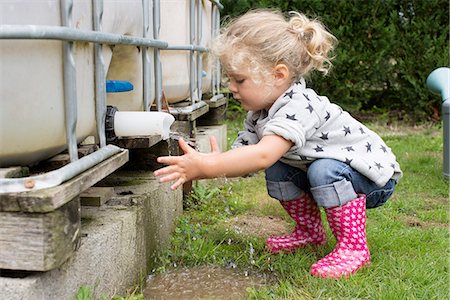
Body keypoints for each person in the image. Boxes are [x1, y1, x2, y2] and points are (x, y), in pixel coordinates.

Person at [154, 9, 402, 279]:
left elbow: (262, 155)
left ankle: (354, 248)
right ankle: (310, 233)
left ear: (278, 74)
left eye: (239, 79)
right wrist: (218, 160)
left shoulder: (300, 105)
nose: (232, 88)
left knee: (322, 170)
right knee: (279, 170)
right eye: (229, 79)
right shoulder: (260, 114)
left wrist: (208, 167)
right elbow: (247, 158)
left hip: (372, 180)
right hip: (333, 175)